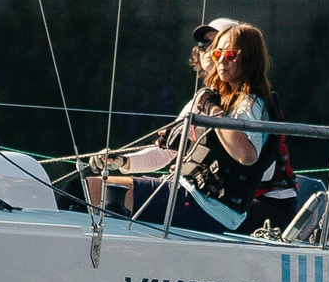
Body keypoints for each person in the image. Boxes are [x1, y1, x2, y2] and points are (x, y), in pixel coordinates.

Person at [93, 20, 298, 236]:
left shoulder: (249, 103)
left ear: (247, 57)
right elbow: (167, 150)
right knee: (88, 190)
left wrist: (212, 111)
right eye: (213, 51)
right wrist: (123, 162)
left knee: (93, 192)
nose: (214, 56)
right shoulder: (207, 99)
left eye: (227, 53)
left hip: (220, 205)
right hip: (193, 193)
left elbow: (249, 158)